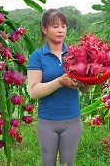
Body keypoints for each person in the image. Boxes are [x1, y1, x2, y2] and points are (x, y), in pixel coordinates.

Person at [27, 9, 93, 166]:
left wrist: (96, 76)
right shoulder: (37, 56)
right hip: (47, 121)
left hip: (72, 120)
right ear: (44, 29)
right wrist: (59, 82)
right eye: (55, 26)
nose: (61, 30)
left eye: (63, 26)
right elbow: (33, 92)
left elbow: (83, 89)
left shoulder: (75, 54)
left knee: (67, 164)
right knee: (48, 163)